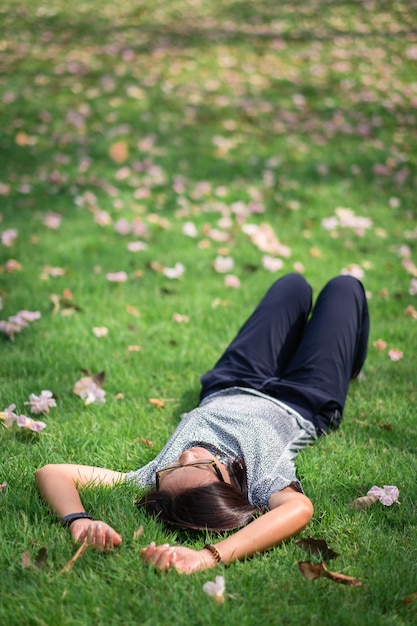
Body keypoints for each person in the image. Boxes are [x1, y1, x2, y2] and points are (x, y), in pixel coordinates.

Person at [35, 273, 369, 574]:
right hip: (302, 398)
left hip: (232, 380)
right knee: (345, 287)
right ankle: (346, 364)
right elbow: (299, 510)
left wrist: (77, 520)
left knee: (293, 285)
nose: (187, 455)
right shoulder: (261, 482)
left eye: (175, 466)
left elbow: (52, 472)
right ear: (229, 483)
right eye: (203, 465)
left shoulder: (155, 476)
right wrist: (208, 557)